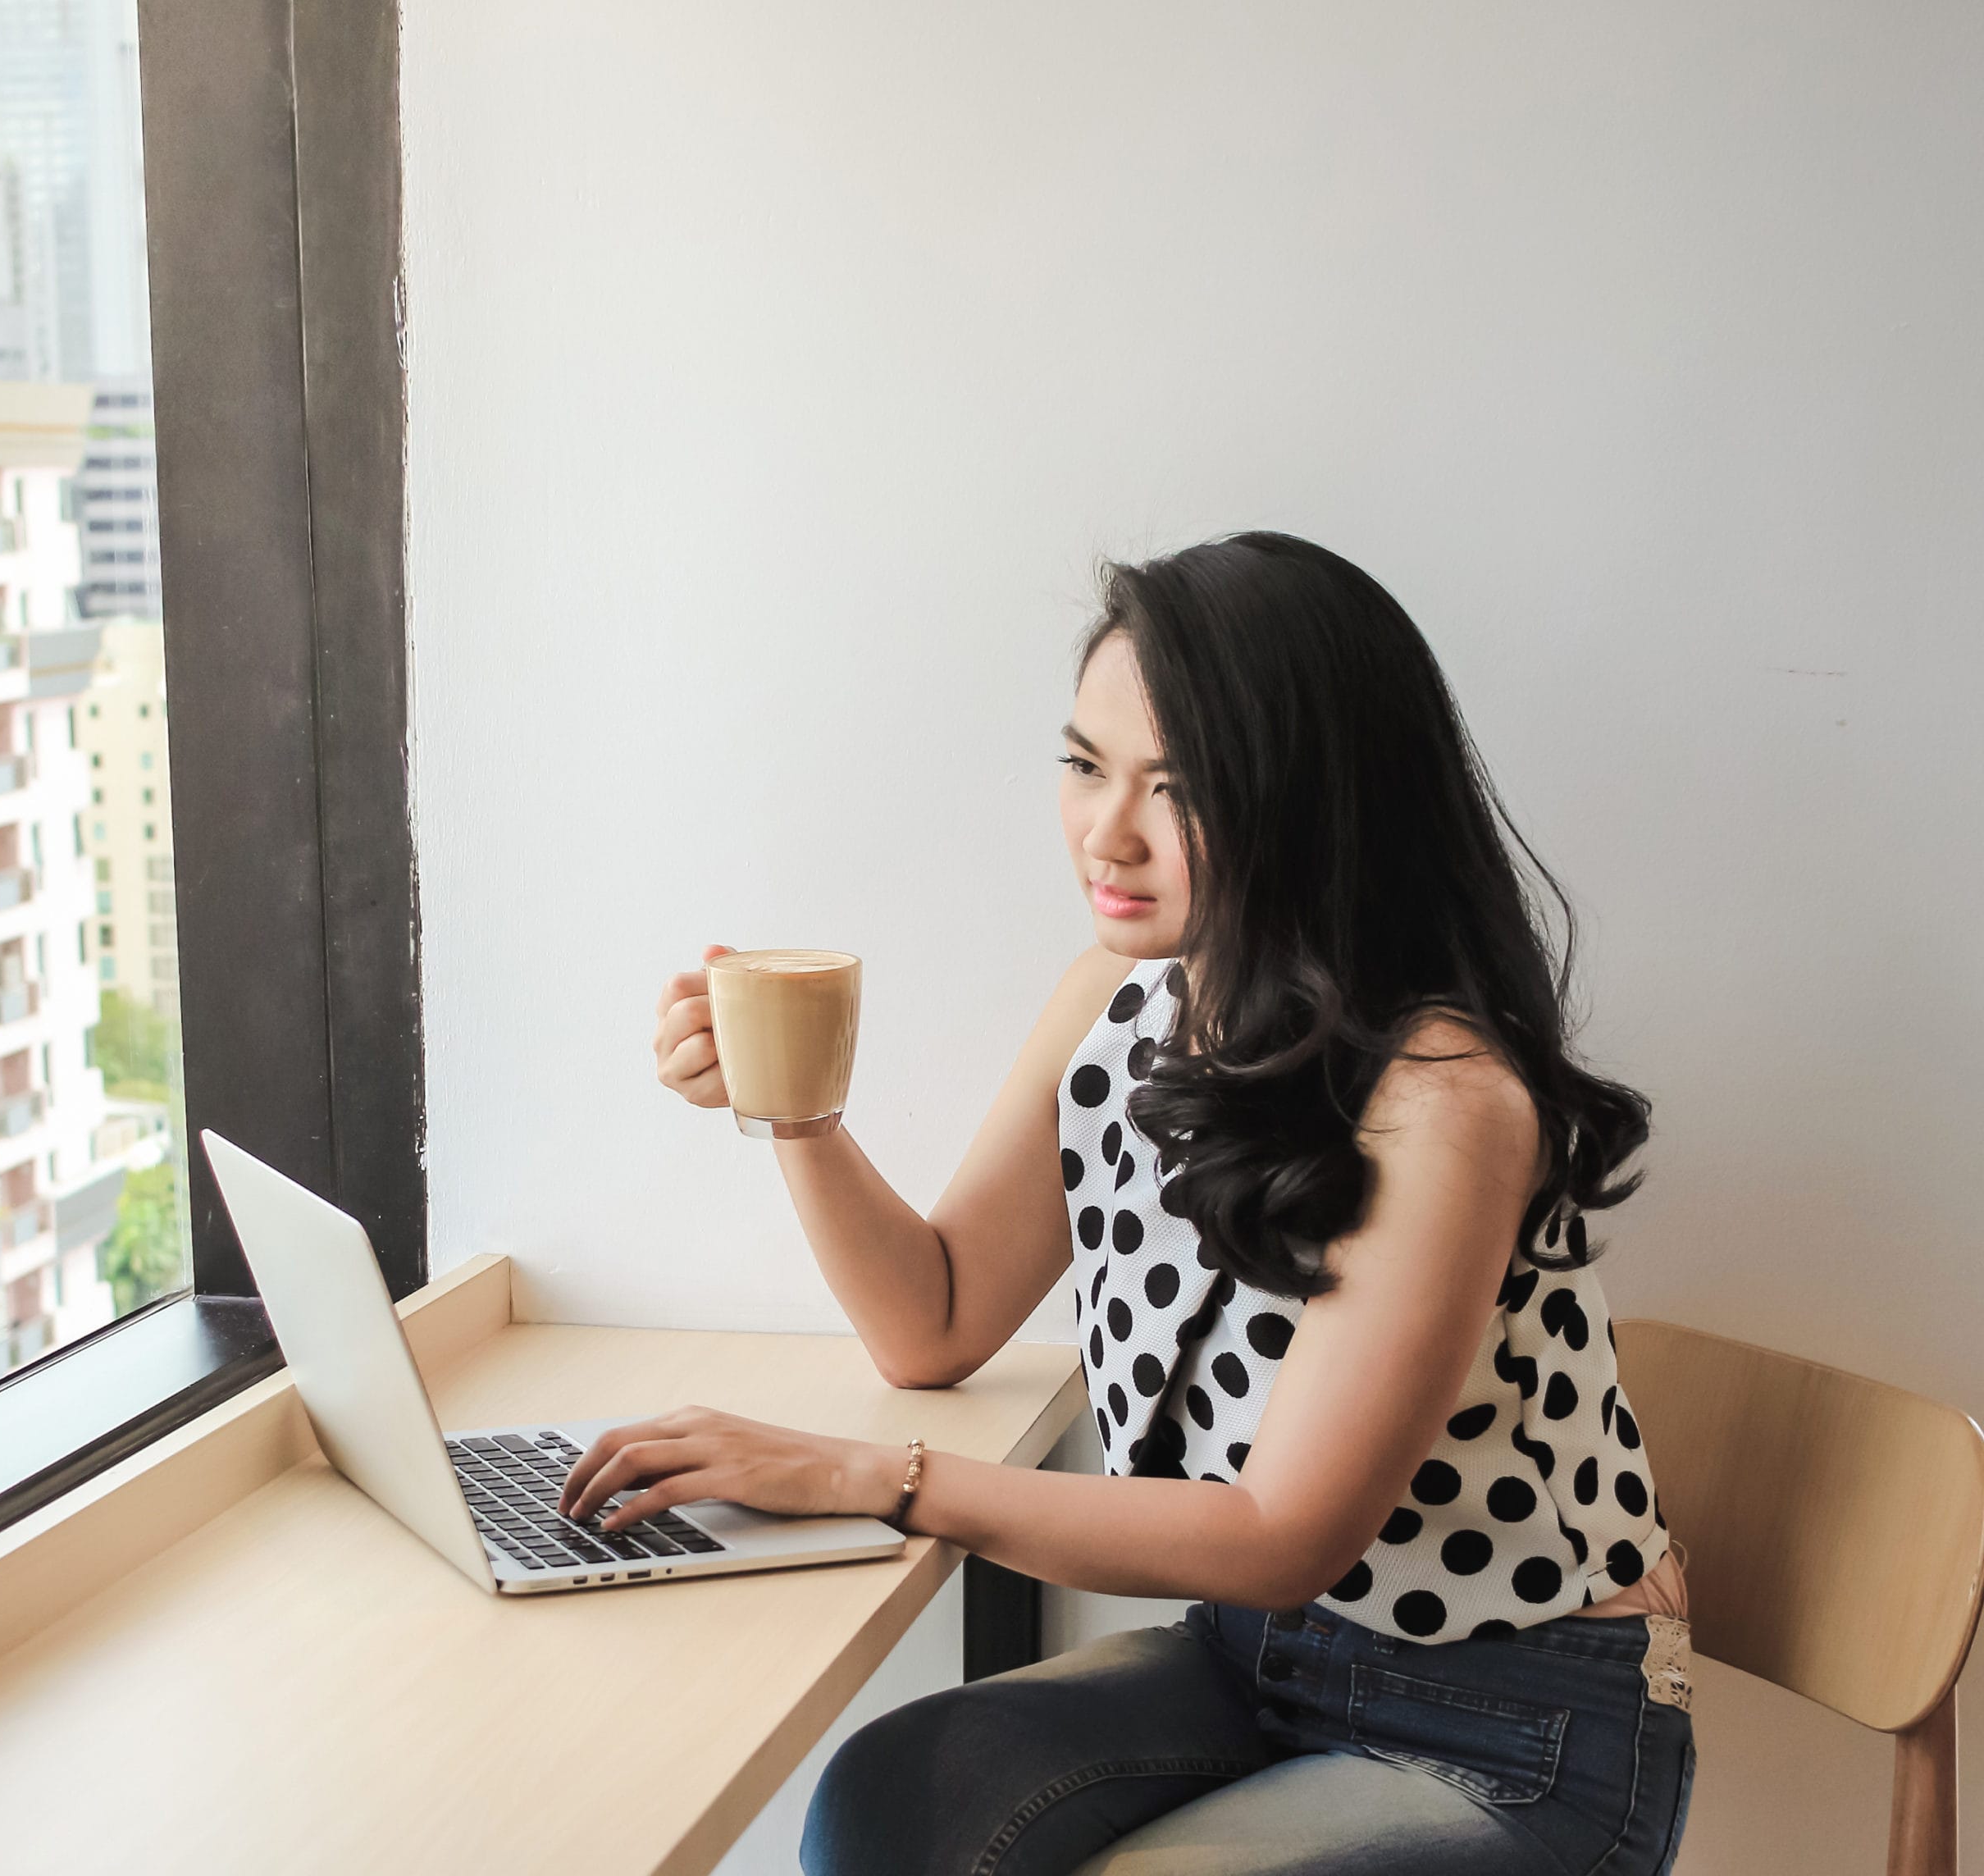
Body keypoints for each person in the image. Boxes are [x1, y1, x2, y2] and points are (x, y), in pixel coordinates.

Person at [559, 532, 1696, 1874]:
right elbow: (934, 1321)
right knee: (890, 1804)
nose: (1110, 833)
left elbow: (1281, 1537)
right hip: (1248, 1659)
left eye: (1184, 788)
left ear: (1319, 803)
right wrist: (794, 1114)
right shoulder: (1116, 1004)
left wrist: (860, 1477)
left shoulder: (1445, 1101)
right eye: (1087, 766)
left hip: (1515, 1720)